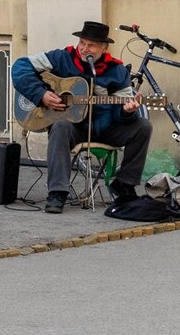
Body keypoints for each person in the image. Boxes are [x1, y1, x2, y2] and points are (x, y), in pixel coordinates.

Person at [11, 21, 152, 213]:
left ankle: (124, 184)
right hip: (74, 128)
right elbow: (20, 67)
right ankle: (57, 192)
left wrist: (127, 112)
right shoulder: (61, 58)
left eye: (91, 45)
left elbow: (121, 113)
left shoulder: (117, 71)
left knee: (143, 126)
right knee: (60, 126)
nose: (84, 49)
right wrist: (41, 94)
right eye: (82, 43)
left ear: (104, 48)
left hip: (105, 129)